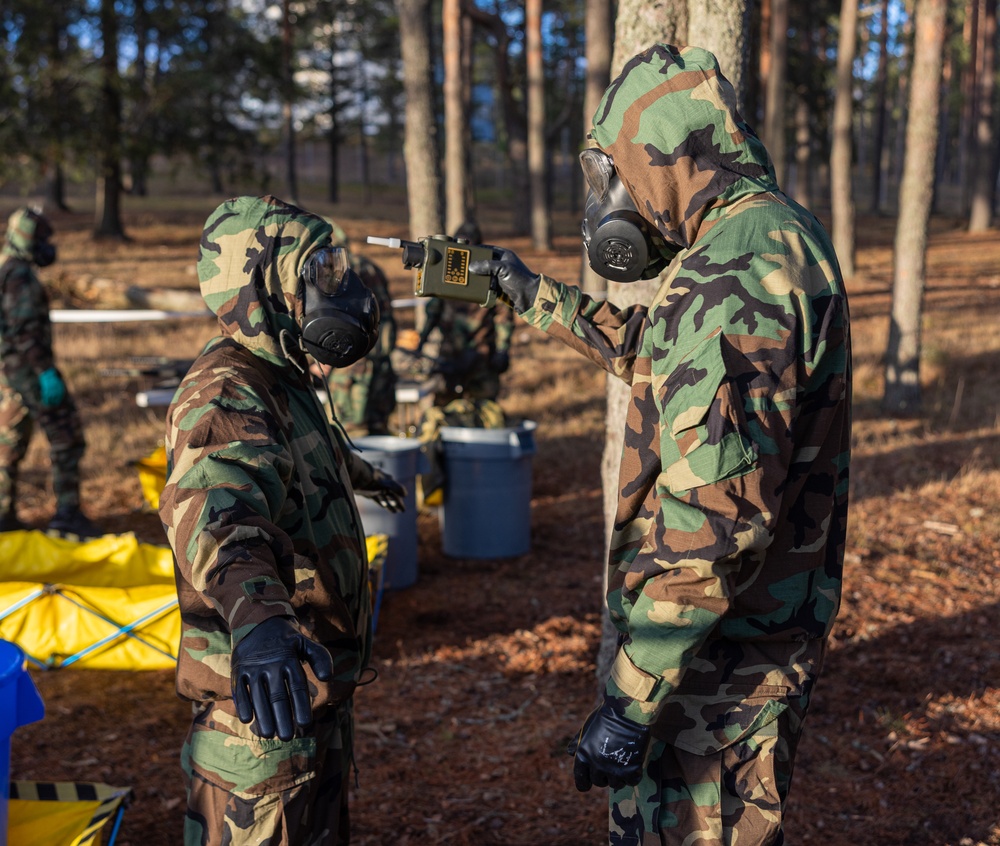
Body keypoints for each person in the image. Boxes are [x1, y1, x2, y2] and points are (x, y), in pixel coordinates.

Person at [470, 44, 852, 845]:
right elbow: (665, 355)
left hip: (711, 673)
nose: (608, 202)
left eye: (614, 175)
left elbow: (715, 522)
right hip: (739, 649)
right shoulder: (765, 239)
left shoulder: (731, 276)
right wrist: (532, 296)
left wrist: (629, 697)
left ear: (662, 158)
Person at [158, 195, 407, 846]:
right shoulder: (226, 392)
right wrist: (261, 620)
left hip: (310, 699)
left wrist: (361, 473)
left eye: (336, 267)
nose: (340, 287)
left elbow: (301, 455)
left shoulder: (284, 375)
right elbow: (220, 507)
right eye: (318, 271)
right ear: (263, 284)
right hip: (260, 727)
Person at [0, 207, 104, 538]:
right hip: (27, 370)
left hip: (7, 372)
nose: (48, 247)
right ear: (30, 240)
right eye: (43, 239)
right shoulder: (20, 278)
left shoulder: (4, 267)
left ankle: (3, 518)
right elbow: (26, 331)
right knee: (67, 437)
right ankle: (67, 515)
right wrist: (46, 372)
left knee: (7, 444)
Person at [414, 220, 514, 406]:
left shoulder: (490, 276)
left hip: (481, 357)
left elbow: (503, 318)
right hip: (449, 357)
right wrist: (422, 340)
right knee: (444, 410)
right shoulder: (446, 272)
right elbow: (433, 311)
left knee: (483, 409)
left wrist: (502, 350)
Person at [325, 220, 398, 435]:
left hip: (352, 370)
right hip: (382, 364)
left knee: (347, 436)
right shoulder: (371, 267)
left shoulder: (337, 274)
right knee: (379, 434)